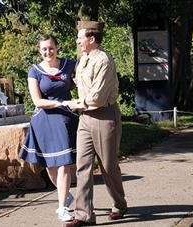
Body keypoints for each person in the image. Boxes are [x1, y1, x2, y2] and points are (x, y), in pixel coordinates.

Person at [64, 21, 127, 227]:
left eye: (80, 37)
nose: (78, 41)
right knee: (82, 167)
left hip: (104, 115)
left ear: (91, 39)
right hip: (85, 118)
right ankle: (84, 215)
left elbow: (98, 97)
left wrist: (75, 104)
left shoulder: (104, 61)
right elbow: (80, 83)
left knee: (108, 166)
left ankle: (119, 203)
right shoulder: (83, 59)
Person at [19, 34, 79, 222]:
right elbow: (37, 101)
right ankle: (65, 195)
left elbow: (83, 80)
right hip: (44, 121)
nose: (48, 52)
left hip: (64, 120)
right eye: (44, 49)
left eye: (51, 48)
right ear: (40, 50)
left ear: (57, 47)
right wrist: (63, 102)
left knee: (64, 164)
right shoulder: (34, 71)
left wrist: (82, 98)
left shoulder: (70, 64)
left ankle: (62, 207)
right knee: (50, 166)